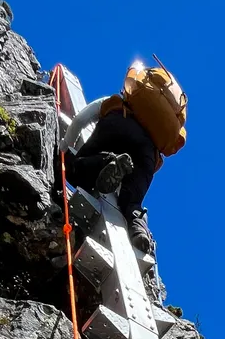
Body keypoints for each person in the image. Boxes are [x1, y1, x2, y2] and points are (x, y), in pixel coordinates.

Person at [60, 91, 163, 253]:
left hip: (118, 124)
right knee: (132, 202)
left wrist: (65, 146)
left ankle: (108, 162)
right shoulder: (158, 131)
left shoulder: (118, 101)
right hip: (148, 152)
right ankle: (138, 229)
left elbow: (80, 119)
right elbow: (151, 170)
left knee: (77, 168)